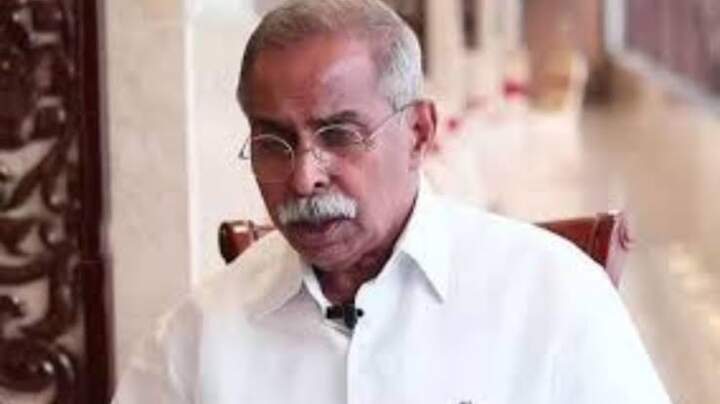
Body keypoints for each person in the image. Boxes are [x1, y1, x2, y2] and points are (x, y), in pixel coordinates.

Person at [113, 1, 671, 403]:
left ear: (419, 133)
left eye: (339, 134)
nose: (304, 177)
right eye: (274, 143)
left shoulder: (550, 296)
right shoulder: (200, 336)